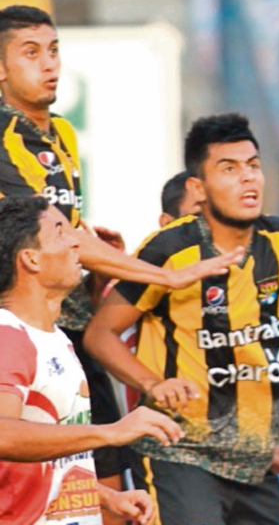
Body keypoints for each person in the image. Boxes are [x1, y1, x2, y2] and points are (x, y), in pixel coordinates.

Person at [0, 5, 241, 506]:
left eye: (54, 50)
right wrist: (167, 276)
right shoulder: (4, 133)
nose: (49, 64)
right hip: (22, 329)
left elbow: (64, 231)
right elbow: (53, 233)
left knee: (99, 471)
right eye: (30, 53)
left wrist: (95, 251)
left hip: (66, 330)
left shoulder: (60, 133)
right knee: (36, 464)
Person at [84, 114, 279, 525]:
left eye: (253, 165)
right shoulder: (171, 248)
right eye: (229, 168)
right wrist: (153, 383)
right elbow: (100, 334)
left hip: (253, 463)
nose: (248, 179)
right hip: (177, 451)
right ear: (198, 187)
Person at [0, 195, 187, 525]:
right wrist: (111, 432)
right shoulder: (8, 336)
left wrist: (105, 496)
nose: (77, 242)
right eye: (61, 232)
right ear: (30, 258)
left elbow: (39, 458)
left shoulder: (56, 339)